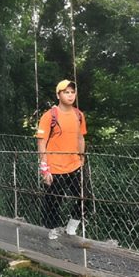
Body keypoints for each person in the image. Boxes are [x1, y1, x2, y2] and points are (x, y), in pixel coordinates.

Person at [36, 79, 87, 240]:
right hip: (55, 166)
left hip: (74, 164)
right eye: (66, 92)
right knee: (53, 201)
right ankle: (53, 230)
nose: (70, 95)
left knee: (85, 198)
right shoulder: (49, 116)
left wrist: (82, 157)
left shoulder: (79, 115)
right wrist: (44, 168)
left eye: (73, 92)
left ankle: (71, 228)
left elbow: (80, 138)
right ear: (59, 95)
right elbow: (41, 141)